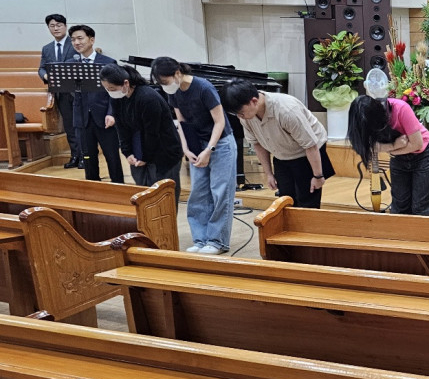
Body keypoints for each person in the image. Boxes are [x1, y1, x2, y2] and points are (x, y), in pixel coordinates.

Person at [151, 56, 236, 255]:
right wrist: (186, 149)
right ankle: (201, 239)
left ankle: (217, 241)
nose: (164, 86)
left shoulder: (204, 88)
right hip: (196, 143)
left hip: (220, 144)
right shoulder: (174, 93)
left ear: (177, 73)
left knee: (220, 192)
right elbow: (181, 122)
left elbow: (220, 122)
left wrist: (209, 150)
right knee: (198, 193)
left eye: (165, 81)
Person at [222, 80, 335, 209]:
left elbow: (310, 145)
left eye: (241, 112)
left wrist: (318, 176)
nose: (239, 116)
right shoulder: (246, 116)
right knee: (285, 200)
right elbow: (257, 144)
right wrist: (269, 174)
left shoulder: (286, 111)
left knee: (307, 201)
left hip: (307, 153)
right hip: (281, 154)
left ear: (254, 101)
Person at [99, 63, 183, 203]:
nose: (110, 92)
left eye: (112, 88)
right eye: (107, 89)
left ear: (126, 83)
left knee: (162, 199)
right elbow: (121, 128)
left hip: (163, 153)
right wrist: (127, 153)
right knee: (144, 198)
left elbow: (152, 133)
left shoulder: (147, 98)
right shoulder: (117, 98)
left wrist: (145, 157)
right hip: (138, 151)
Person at [347, 94, 429, 215]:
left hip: (424, 155)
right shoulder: (362, 121)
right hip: (399, 156)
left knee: (421, 207)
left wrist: (389, 149)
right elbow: (368, 147)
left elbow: (417, 144)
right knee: (399, 206)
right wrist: (395, 145)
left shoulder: (400, 108)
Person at [69, 25, 123, 183]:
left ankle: (119, 188)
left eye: (80, 38)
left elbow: (116, 92)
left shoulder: (108, 62)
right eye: (73, 39)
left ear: (91, 40)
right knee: (88, 158)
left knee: (112, 157)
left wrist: (112, 113)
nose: (76, 42)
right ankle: (93, 189)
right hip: (82, 118)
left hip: (104, 116)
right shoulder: (70, 64)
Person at [38, 13, 80, 168]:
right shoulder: (47, 48)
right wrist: (46, 75)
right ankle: (75, 156)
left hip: (77, 90)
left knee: (81, 125)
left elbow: (80, 62)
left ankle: (85, 156)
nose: (56, 28)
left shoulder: (75, 43)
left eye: (59, 25)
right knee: (69, 126)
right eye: (52, 26)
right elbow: (41, 68)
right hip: (60, 92)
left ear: (65, 26)